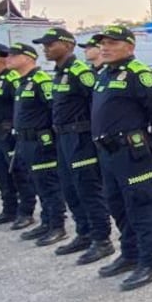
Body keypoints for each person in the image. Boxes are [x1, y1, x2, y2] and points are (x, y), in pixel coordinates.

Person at [89, 24, 152, 287]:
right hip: (108, 152)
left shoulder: (138, 74)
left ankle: (150, 262)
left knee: (140, 205)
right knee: (116, 203)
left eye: (112, 43)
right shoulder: (105, 74)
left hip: (132, 151)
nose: (105, 48)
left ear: (130, 47)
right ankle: (130, 254)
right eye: (103, 44)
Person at [36, 27, 111, 260]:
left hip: (81, 139)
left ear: (67, 45)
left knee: (88, 189)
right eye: (44, 45)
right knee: (70, 188)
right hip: (63, 139)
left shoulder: (80, 72)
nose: (46, 49)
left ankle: (102, 239)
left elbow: (98, 105)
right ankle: (84, 232)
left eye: (51, 44)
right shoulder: (59, 73)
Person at [8, 42, 69, 246]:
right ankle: (46, 222)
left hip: (41, 141)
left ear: (27, 58)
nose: (8, 58)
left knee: (49, 184)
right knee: (37, 183)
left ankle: (57, 225)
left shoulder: (40, 81)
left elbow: (54, 111)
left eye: (13, 55)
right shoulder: (22, 81)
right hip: (25, 141)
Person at [0, 44, 37, 229]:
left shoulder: (12, 79)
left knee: (19, 173)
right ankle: (9, 209)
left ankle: (26, 211)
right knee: (1, 172)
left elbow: (20, 107)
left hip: (9, 133)